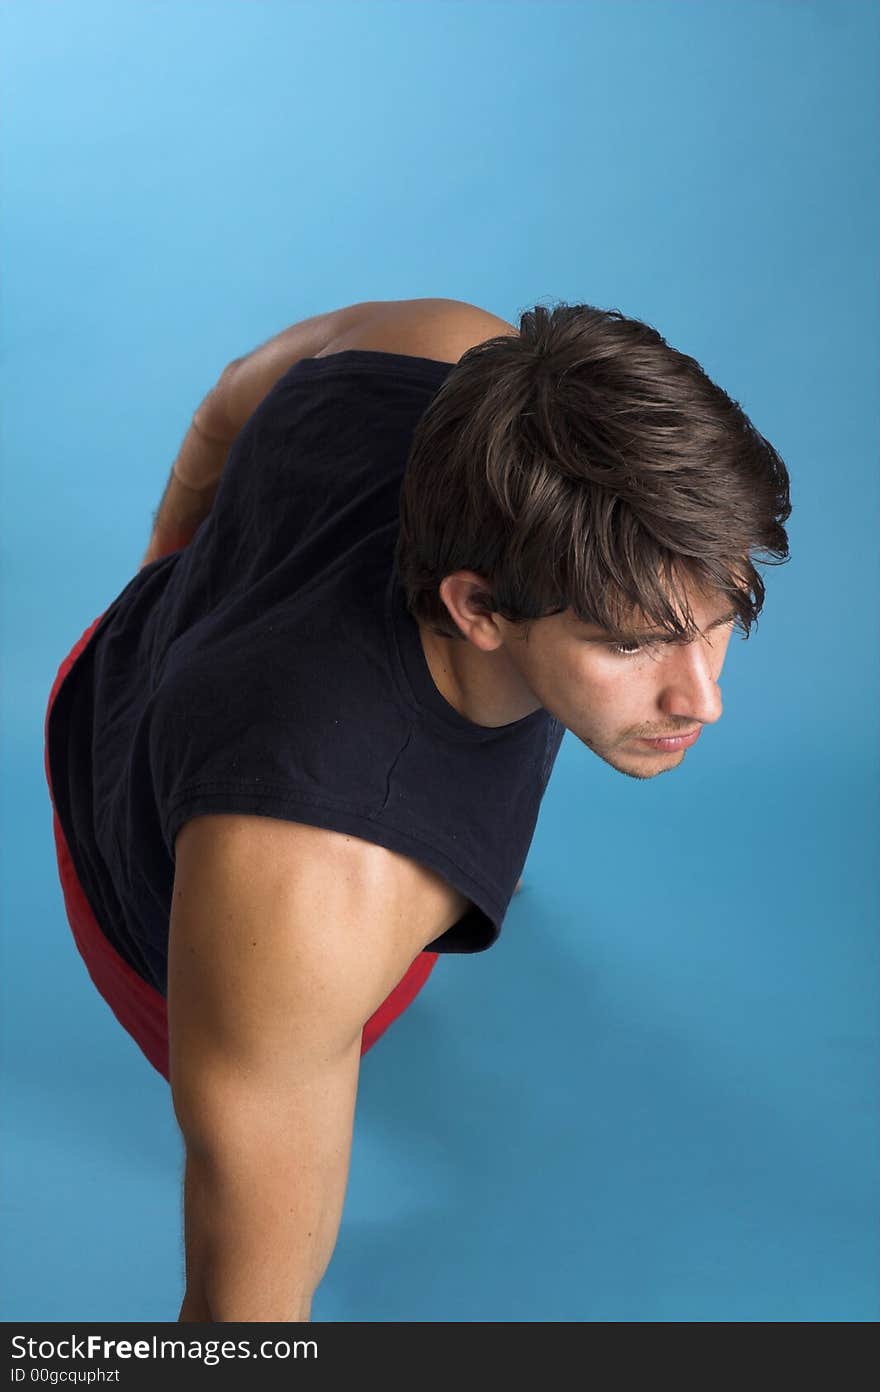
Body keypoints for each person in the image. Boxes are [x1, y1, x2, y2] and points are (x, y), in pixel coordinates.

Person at [43, 296, 791, 1322]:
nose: (702, 697)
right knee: (288, 1042)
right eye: (631, 645)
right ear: (474, 607)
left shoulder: (457, 360)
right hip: (163, 867)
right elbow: (243, 1329)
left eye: (719, 616)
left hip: (160, 649)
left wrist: (164, 572)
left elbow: (227, 403)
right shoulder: (315, 888)